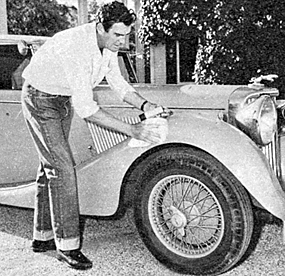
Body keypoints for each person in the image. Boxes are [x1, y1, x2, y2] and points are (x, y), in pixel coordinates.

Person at [21, 0, 168, 271]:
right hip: (39, 98)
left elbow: (119, 84)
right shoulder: (77, 46)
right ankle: (67, 247)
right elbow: (87, 108)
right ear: (101, 27)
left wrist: (145, 106)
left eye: (126, 35)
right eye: (117, 35)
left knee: (49, 166)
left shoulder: (107, 46)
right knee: (62, 169)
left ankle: (42, 237)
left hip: (60, 99)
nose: (122, 42)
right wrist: (133, 130)